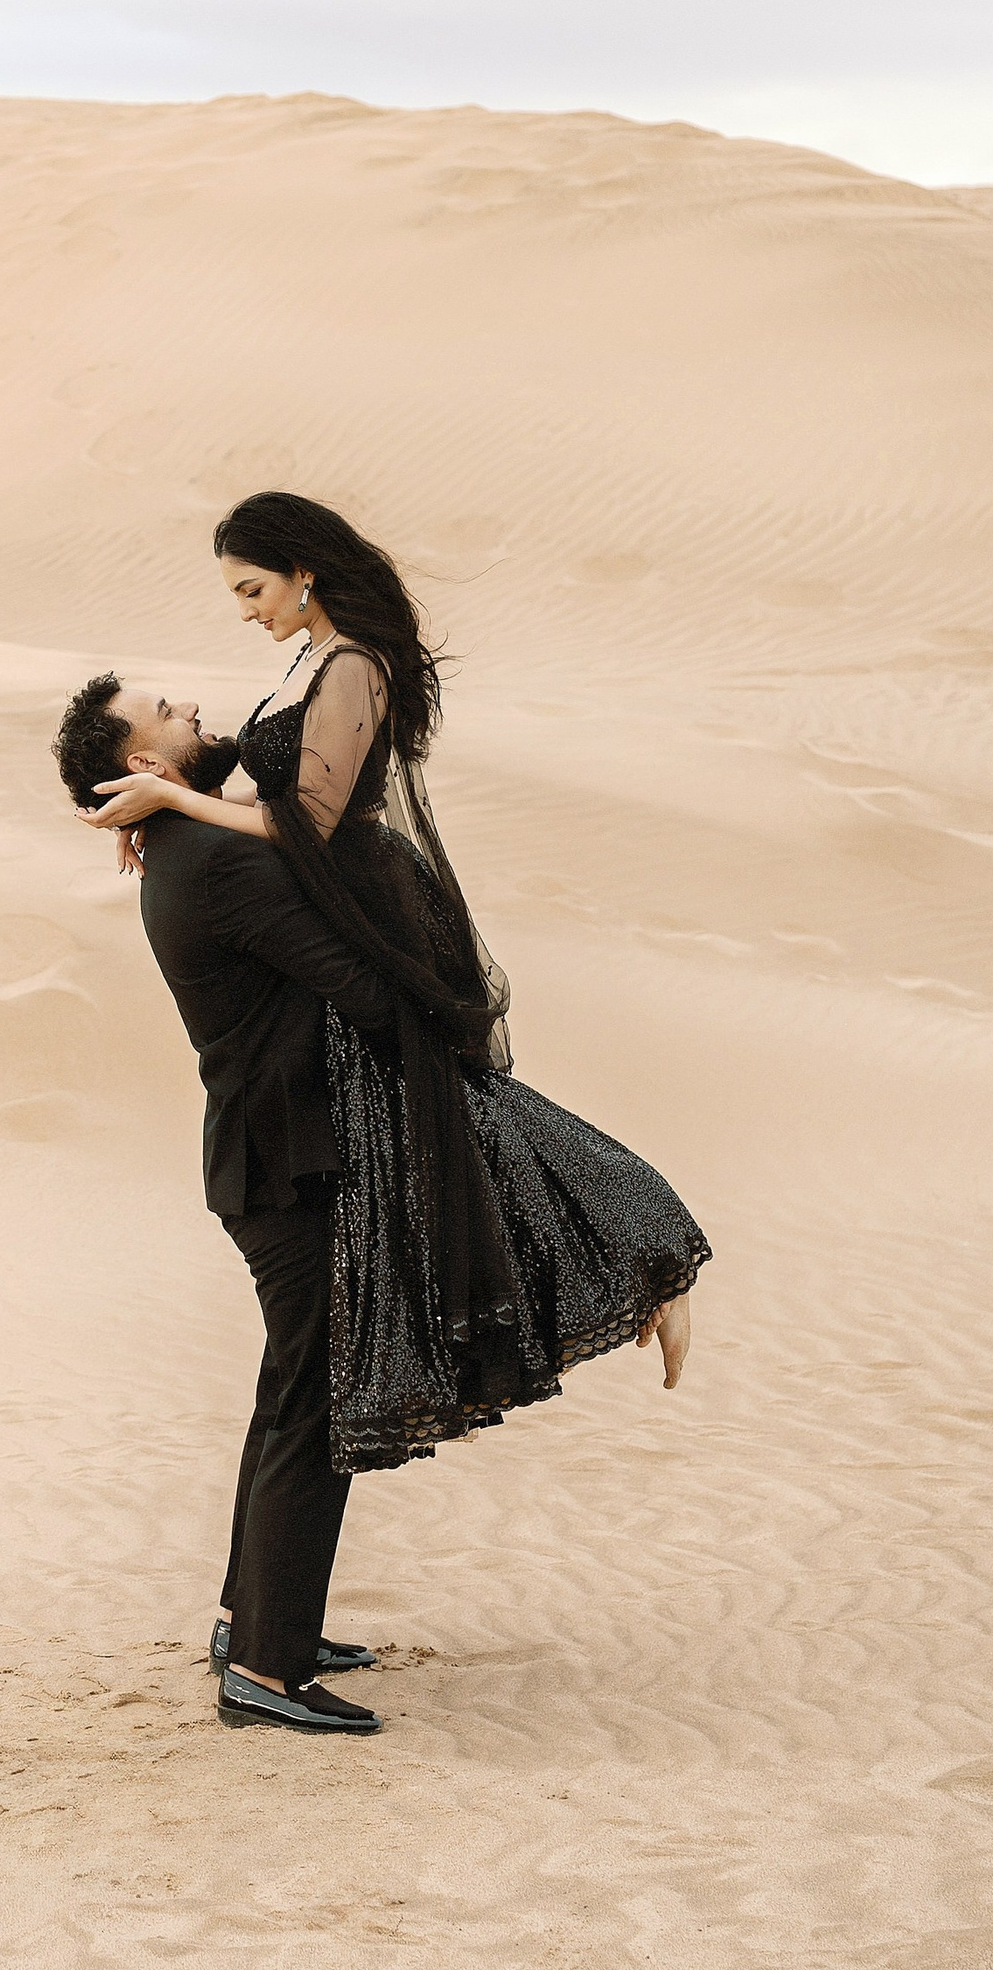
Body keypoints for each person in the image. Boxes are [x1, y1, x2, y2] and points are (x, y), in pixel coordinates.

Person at [57, 491, 710, 1738]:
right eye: (172, 718)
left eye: (248, 594)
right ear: (145, 765)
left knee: (288, 1390)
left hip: (270, 1155)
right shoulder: (218, 853)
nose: (201, 706)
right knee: (306, 1399)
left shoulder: (196, 848)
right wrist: (431, 1005)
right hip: (285, 1162)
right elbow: (348, 970)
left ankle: (260, 1626)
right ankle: (266, 1669)